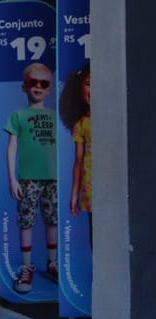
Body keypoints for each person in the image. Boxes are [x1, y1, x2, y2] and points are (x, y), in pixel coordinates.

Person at [4, 63, 58, 293]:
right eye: (33, 82)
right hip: (28, 179)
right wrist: (12, 179)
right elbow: (11, 147)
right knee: (26, 220)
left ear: (49, 89)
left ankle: (52, 261)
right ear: (24, 87)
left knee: (52, 219)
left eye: (43, 83)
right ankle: (27, 267)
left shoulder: (56, 117)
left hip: (53, 178)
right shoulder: (18, 116)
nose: (38, 87)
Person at [59, 63, 92, 242]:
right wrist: (74, 195)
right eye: (88, 83)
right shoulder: (81, 124)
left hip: (115, 182)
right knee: (95, 232)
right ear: (80, 87)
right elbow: (78, 161)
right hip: (90, 186)